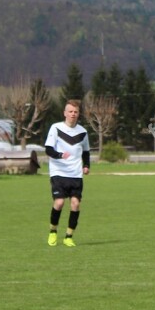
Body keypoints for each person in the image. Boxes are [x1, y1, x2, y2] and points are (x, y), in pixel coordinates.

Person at [45, 100, 90, 247]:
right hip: (58, 172)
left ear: (78, 114)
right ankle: (53, 231)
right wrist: (59, 155)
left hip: (76, 174)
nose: (73, 114)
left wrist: (87, 165)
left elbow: (86, 151)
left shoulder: (83, 132)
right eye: (70, 111)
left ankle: (68, 236)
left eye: (75, 112)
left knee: (75, 204)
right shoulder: (56, 128)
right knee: (59, 202)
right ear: (65, 113)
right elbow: (48, 149)